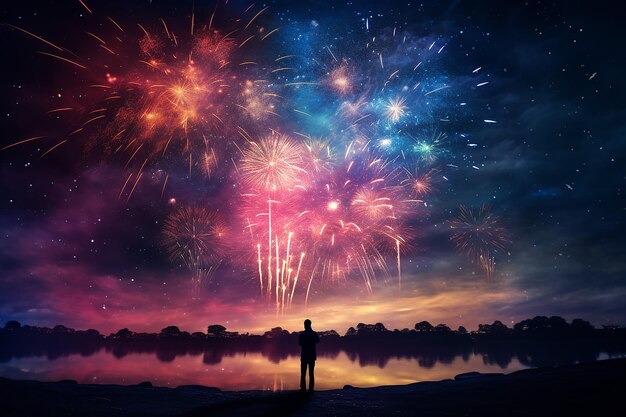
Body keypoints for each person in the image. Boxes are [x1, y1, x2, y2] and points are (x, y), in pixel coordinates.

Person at [298, 319, 319, 392]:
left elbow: (300, 343)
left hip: (304, 356)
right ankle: (311, 388)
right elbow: (317, 341)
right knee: (311, 373)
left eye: (304, 324)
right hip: (311, 356)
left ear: (305, 325)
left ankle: (303, 388)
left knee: (303, 373)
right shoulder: (314, 333)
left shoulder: (302, 334)